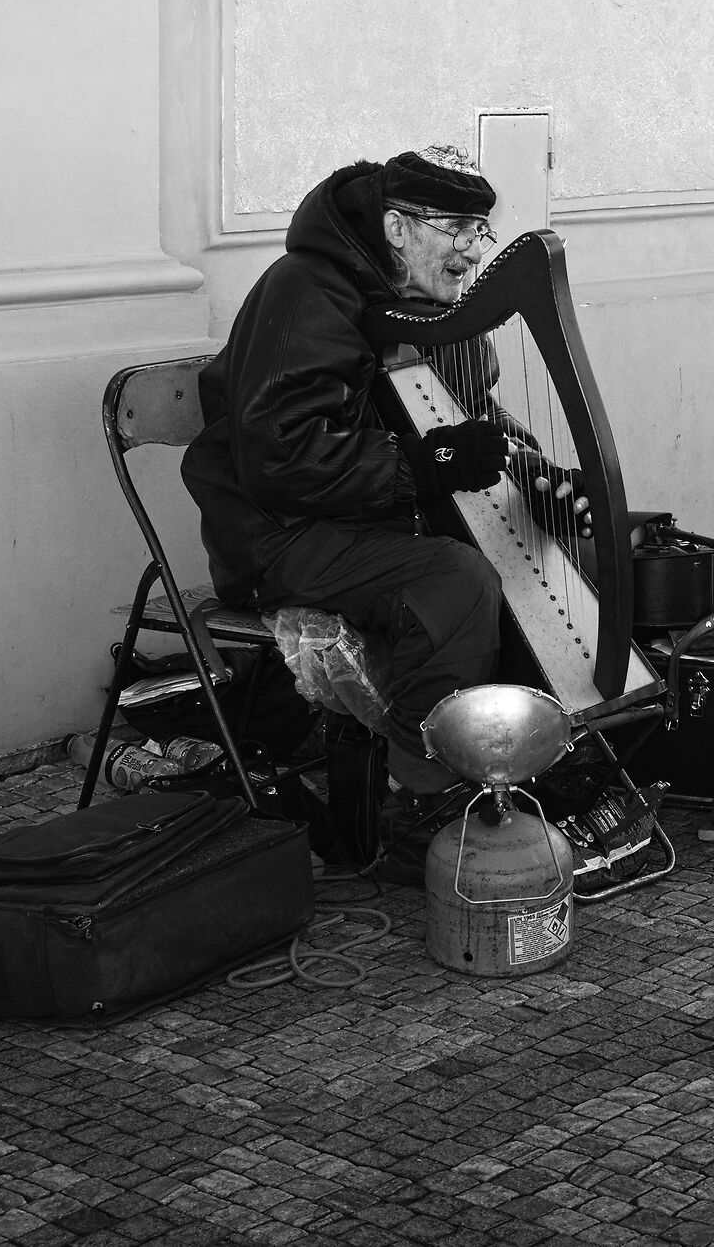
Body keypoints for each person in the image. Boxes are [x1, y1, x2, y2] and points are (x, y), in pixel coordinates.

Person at [180, 147, 579, 878]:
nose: (469, 248)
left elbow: (466, 410)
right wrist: (426, 468)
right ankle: (417, 794)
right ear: (396, 226)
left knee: (527, 541)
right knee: (457, 580)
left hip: (356, 520)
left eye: (479, 231)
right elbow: (283, 457)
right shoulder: (305, 292)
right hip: (277, 535)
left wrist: (533, 468)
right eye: (453, 227)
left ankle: (516, 753)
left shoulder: (410, 293)